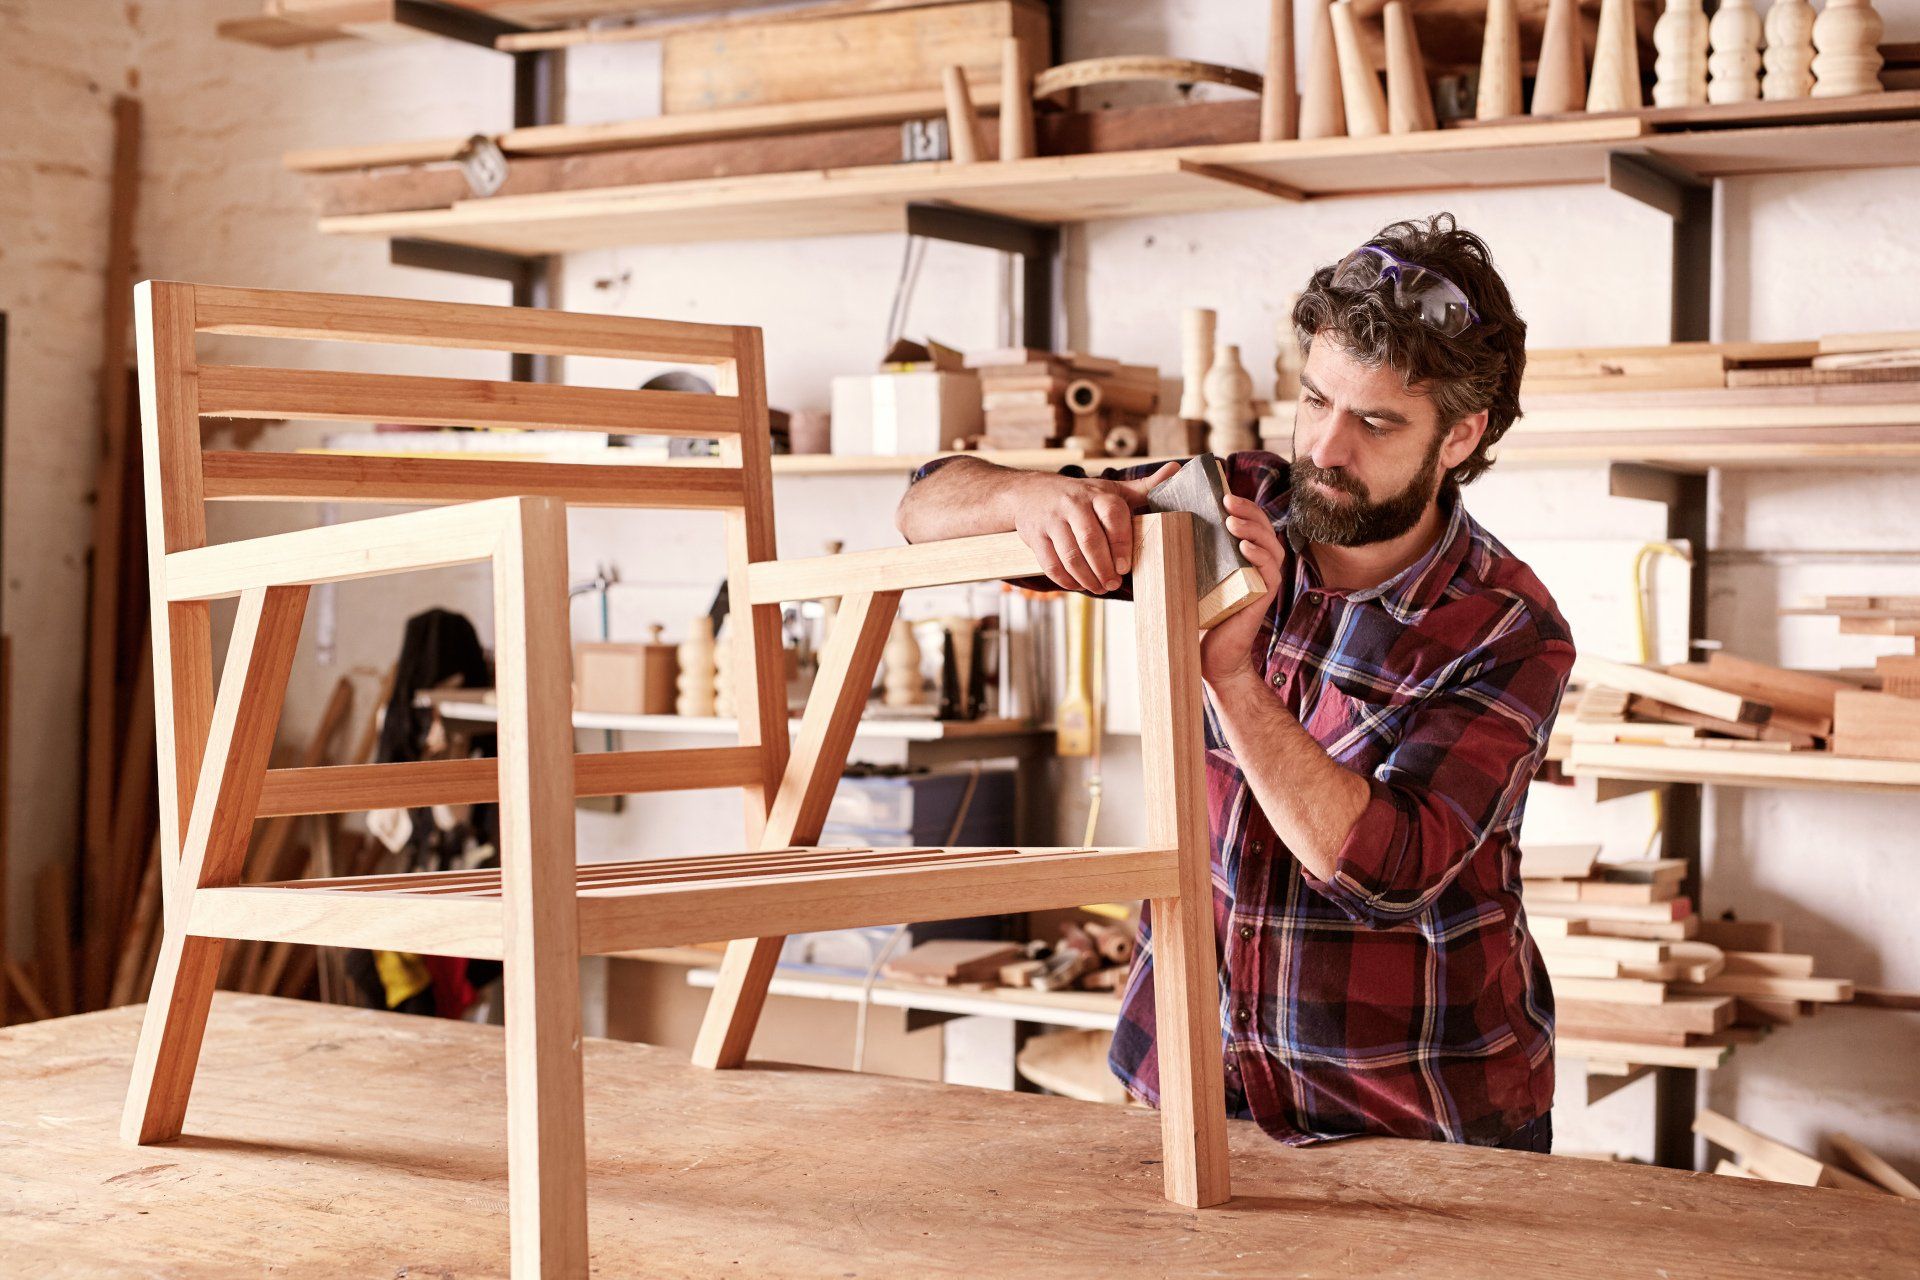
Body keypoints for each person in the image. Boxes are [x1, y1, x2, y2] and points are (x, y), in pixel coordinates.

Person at [893, 213, 1573, 1153]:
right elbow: (924, 506)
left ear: (1460, 436)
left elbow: (1385, 872)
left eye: (1375, 421)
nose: (1327, 448)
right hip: (1189, 1090)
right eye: (1315, 399)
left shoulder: (1505, 626)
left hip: (1412, 1118)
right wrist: (1028, 498)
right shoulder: (1220, 506)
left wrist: (1231, 677)